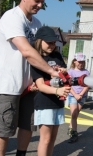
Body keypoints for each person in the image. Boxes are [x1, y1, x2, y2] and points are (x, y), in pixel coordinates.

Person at [0, 0, 60, 156]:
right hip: (8, 85)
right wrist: (51, 71)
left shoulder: (36, 24)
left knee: (28, 125)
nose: (40, 5)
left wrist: (56, 67)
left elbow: (42, 53)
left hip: (30, 86)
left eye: (42, 1)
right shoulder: (11, 18)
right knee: (4, 128)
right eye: (36, 0)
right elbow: (27, 52)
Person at [30, 26, 71, 156]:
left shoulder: (57, 55)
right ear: (39, 41)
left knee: (53, 139)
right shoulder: (36, 59)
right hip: (45, 103)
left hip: (58, 103)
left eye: (54, 43)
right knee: (45, 139)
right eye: (49, 42)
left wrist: (64, 71)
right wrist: (57, 91)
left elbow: (64, 73)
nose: (52, 45)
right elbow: (40, 85)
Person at [67, 53, 90, 143]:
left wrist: (81, 94)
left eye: (82, 62)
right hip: (73, 95)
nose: (81, 64)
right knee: (74, 114)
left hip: (82, 96)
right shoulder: (71, 72)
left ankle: (70, 127)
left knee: (75, 115)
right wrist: (75, 95)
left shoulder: (86, 72)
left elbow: (87, 85)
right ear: (75, 61)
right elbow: (68, 85)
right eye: (79, 62)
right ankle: (74, 134)